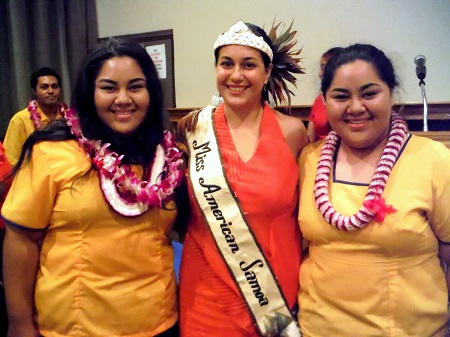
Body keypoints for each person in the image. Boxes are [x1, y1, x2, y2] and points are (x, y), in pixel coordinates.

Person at [2, 38, 188, 337]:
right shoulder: (53, 153)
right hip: (76, 326)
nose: (124, 98)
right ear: (90, 93)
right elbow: (20, 241)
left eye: (136, 86)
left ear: (151, 93)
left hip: (159, 321)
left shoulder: (168, 157)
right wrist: (19, 321)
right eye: (109, 87)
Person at [297, 43, 450, 336]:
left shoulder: (434, 160)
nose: (356, 107)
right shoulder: (309, 160)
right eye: (341, 96)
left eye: (369, 93)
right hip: (316, 328)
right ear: (324, 101)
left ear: (391, 94)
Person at [178, 20, 308, 337]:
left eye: (248, 65)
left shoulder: (293, 132)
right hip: (206, 296)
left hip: (273, 293)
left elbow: (305, 218)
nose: (236, 75)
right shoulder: (192, 129)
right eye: (226, 64)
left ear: (266, 72)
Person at [3, 67, 68, 166]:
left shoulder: (69, 119)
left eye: (55, 86)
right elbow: (10, 161)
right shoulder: (21, 120)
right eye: (44, 87)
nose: (51, 91)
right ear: (34, 91)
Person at [306, 47, 343, 143]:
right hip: (317, 154)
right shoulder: (319, 99)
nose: (319, 74)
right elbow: (310, 137)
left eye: (323, 67)